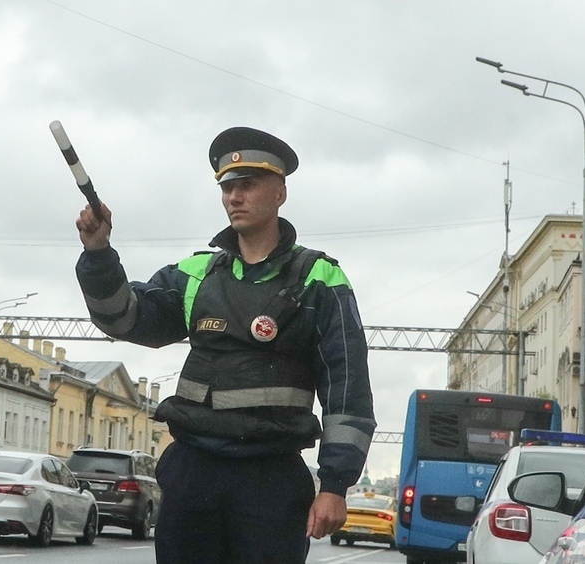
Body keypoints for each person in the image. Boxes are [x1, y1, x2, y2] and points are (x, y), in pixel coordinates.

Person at [75, 126, 376, 563]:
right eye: (227, 187)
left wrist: (335, 486)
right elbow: (124, 317)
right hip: (192, 470)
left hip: (270, 479)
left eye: (247, 185)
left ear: (280, 193)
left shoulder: (320, 280)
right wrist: (100, 253)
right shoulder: (196, 274)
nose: (234, 197)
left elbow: (347, 387)